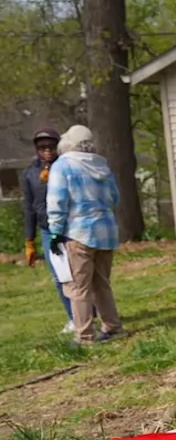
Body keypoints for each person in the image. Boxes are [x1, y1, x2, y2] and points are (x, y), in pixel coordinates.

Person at [46, 124, 124, 345]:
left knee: (78, 287)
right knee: (101, 283)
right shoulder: (102, 164)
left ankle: (84, 336)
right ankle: (112, 326)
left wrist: (55, 231)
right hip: (106, 232)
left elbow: (57, 201)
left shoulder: (63, 166)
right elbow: (115, 199)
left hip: (78, 233)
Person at [20, 127, 75, 334]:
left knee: (79, 274)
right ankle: (73, 317)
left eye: (51, 146)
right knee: (59, 276)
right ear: (36, 149)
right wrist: (29, 241)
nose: (47, 150)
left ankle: (88, 313)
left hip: (71, 227)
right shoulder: (29, 174)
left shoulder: (67, 166)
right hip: (46, 229)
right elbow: (29, 208)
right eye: (42, 147)